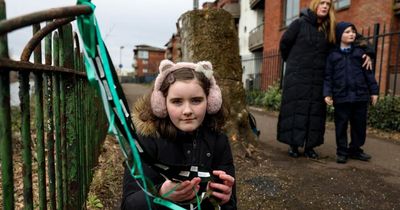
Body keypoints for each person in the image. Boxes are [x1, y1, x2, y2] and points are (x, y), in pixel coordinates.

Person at [121, 60, 236, 209]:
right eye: (177, 101)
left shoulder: (219, 140)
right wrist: (160, 193)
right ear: (161, 105)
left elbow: (230, 203)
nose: (187, 110)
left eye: (196, 100)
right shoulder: (146, 141)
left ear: (210, 101)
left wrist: (226, 198)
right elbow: (129, 204)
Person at [277, 0, 373, 159]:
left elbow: (356, 38)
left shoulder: (331, 28)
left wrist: (369, 52)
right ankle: (293, 145)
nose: (325, 6)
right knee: (295, 110)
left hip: (319, 78)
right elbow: (284, 44)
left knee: (316, 112)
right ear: (315, 5)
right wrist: (295, 64)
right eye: (322, 3)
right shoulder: (299, 24)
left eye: (328, 4)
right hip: (298, 77)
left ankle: (310, 147)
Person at [324, 22, 378, 164]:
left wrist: (374, 92)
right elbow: (328, 77)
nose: (352, 34)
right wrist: (327, 93)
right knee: (341, 126)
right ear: (339, 35)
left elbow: (369, 74)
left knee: (359, 125)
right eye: (347, 32)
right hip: (341, 98)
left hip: (360, 96)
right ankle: (342, 152)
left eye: (353, 31)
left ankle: (355, 149)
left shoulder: (360, 53)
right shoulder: (332, 56)